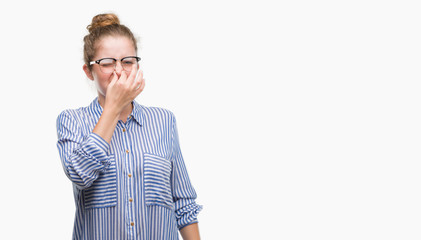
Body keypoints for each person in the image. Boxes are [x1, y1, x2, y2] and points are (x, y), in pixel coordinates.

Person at [56, 13, 202, 240]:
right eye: (107, 63)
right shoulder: (72, 120)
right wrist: (113, 108)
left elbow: (182, 202)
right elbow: (79, 174)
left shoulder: (164, 121)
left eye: (127, 62)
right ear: (89, 70)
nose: (119, 71)